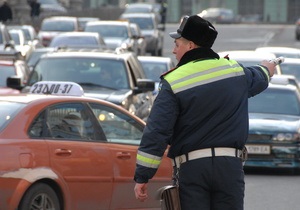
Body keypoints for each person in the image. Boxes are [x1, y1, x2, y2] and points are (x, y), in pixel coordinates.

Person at [133, 15, 278, 209]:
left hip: (193, 170)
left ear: (190, 45)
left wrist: (143, 176)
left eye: (177, 44)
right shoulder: (234, 71)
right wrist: (269, 67)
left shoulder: (174, 81)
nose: (174, 50)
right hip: (230, 167)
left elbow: (157, 131)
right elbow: (260, 76)